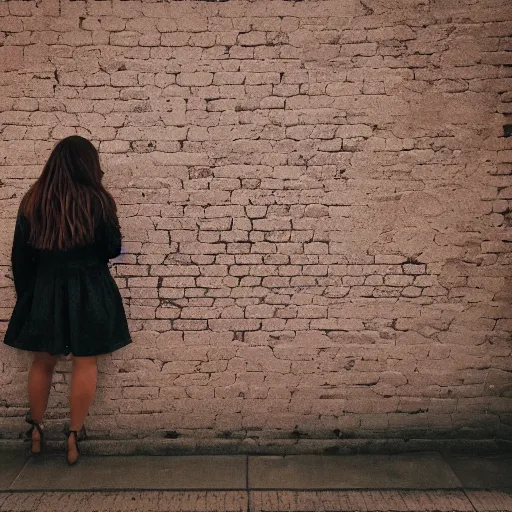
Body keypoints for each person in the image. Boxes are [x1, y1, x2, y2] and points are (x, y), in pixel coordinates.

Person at [3, 135, 131, 465]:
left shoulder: (33, 200)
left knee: (43, 361)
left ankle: (36, 429)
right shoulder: (99, 201)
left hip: (45, 289)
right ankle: (73, 435)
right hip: (90, 288)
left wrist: (29, 297)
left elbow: (20, 256)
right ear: (89, 164)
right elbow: (113, 249)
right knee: (85, 362)